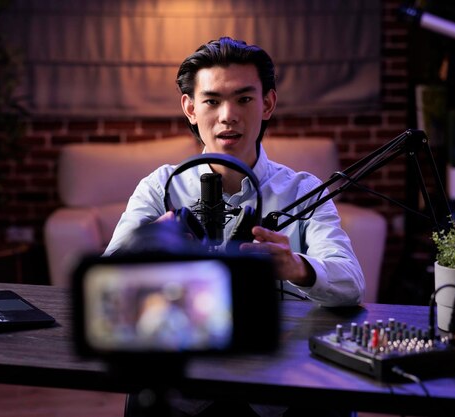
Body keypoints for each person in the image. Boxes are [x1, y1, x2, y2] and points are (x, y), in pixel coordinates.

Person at [105, 37, 363, 417]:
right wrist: (149, 245)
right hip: (185, 382)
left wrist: (298, 268)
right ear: (190, 108)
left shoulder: (303, 190)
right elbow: (107, 279)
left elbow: (351, 283)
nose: (228, 116)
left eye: (244, 99)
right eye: (212, 101)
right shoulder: (161, 186)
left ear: (268, 104)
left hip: (283, 384)